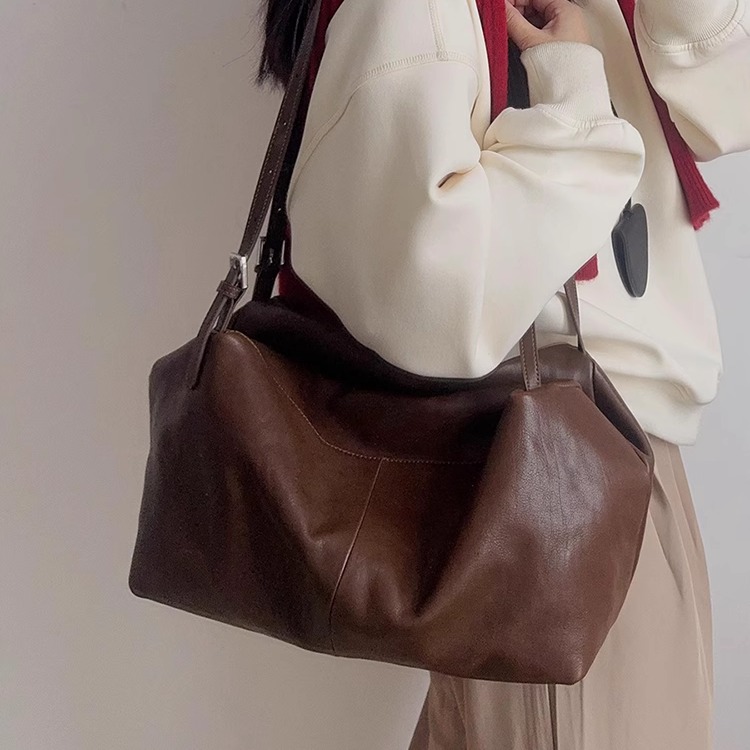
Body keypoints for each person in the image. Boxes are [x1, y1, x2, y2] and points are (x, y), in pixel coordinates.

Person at [255, 0, 750, 747]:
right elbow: (424, 291)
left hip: (608, 468)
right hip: (553, 484)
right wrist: (570, 91)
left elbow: (726, 98)